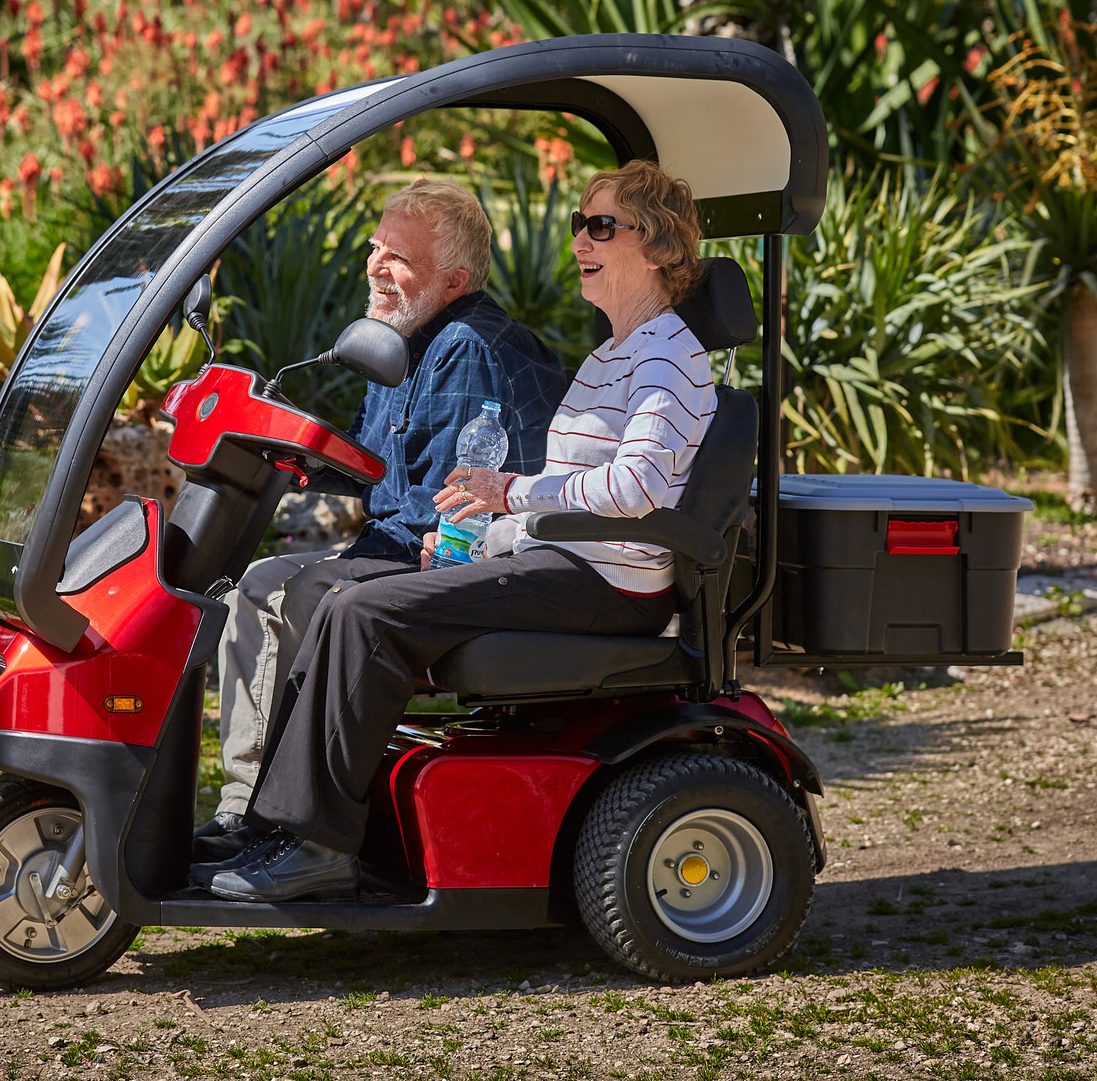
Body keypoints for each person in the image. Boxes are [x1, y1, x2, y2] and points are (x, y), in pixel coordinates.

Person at [208, 160, 716, 902]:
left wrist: (508, 494)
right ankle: (285, 829)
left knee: (361, 609)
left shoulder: (670, 356)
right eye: (581, 223)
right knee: (348, 604)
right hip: (564, 560)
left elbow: (633, 490)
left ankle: (316, 844)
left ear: (661, 246)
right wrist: (494, 529)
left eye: (602, 225)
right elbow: (562, 493)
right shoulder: (616, 353)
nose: (581, 238)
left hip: (607, 581)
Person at [192, 177, 566, 866]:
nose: (375, 267)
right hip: (398, 541)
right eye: (375, 247)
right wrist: (298, 455)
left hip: (457, 556)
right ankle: (248, 804)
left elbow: (441, 508)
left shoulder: (464, 346)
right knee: (256, 584)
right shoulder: (398, 340)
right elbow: (375, 469)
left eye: (399, 257)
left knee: (293, 591)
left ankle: (276, 817)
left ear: (453, 281)